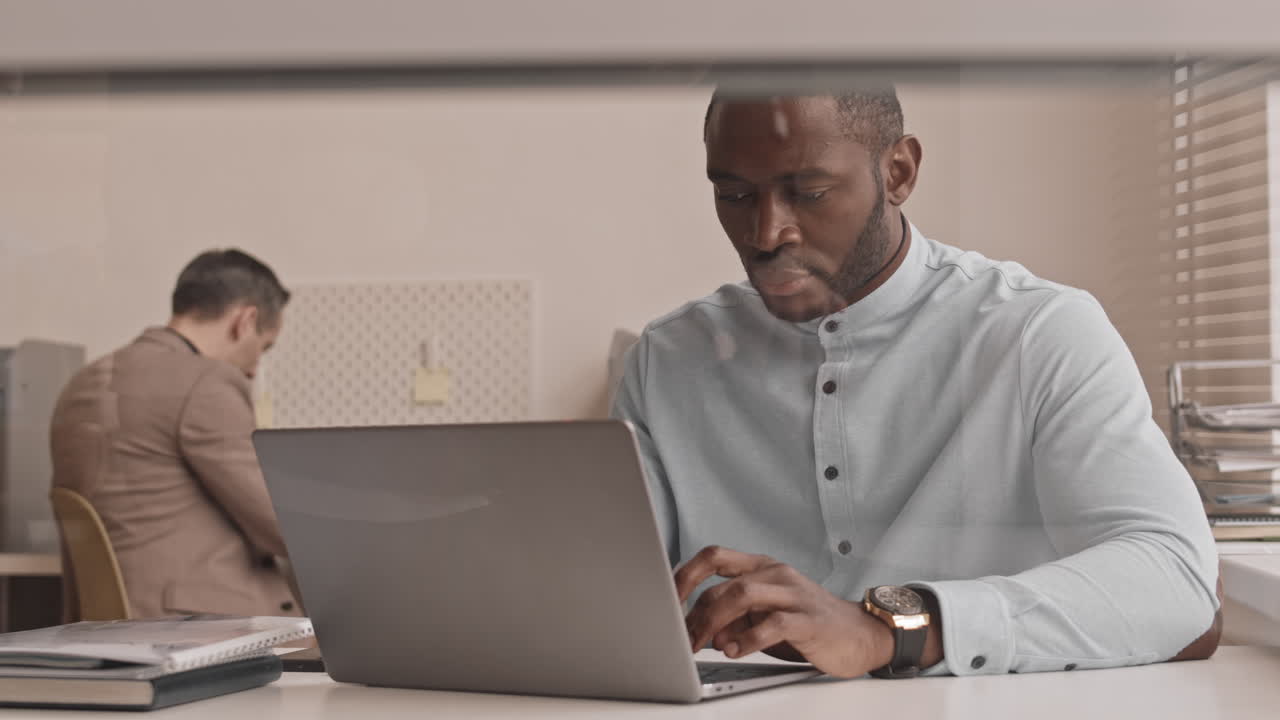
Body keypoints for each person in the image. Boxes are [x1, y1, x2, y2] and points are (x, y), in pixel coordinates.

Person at [610, 89, 1221, 679]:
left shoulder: (1039, 332)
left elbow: (1176, 581)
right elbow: (600, 591)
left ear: (898, 172)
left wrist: (891, 629)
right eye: (735, 193)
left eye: (811, 193)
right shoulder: (666, 360)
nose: (766, 234)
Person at [50, 249, 300, 619]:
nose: (253, 369)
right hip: (202, 628)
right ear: (245, 321)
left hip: (102, 625)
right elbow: (281, 525)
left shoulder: (81, 382)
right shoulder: (205, 382)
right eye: (263, 348)